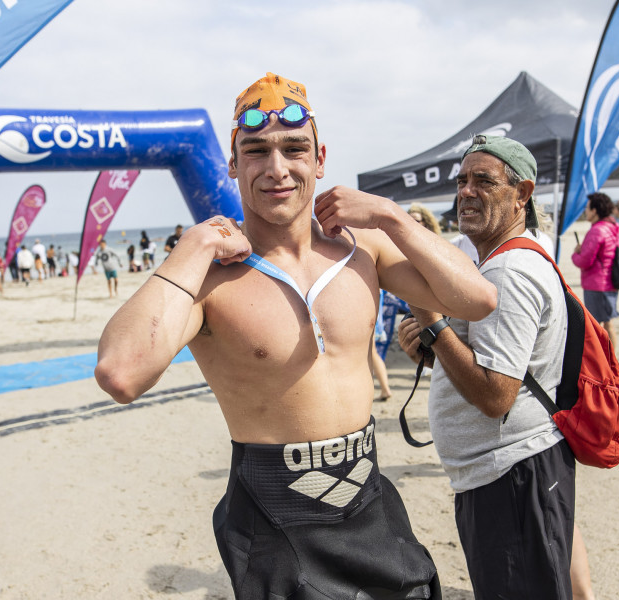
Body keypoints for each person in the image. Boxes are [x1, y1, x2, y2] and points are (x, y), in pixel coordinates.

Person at [95, 72, 499, 599]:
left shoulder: (365, 249)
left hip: (369, 505)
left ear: (320, 157)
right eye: (256, 151)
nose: (277, 168)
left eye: (294, 148)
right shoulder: (210, 279)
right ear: (233, 164)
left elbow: (479, 299)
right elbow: (120, 374)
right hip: (273, 523)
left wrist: (393, 217)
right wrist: (190, 248)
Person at [398, 135, 573, 599]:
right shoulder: (498, 259)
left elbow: (497, 395)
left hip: (511, 473)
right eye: (462, 181)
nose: (466, 192)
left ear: (523, 193)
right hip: (509, 471)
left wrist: (432, 322)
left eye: (483, 181)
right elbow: (497, 362)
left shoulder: (507, 272)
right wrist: (434, 347)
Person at [572, 192, 619, 345]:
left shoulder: (597, 230)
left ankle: (606, 360)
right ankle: (612, 358)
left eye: (587, 208)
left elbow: (585, 261)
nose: (586, 211)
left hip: (597, 283)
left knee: (596, 326)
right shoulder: (611, 227)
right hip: (610, 282)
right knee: (608, 322)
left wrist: (575, 253)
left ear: (594, 210)